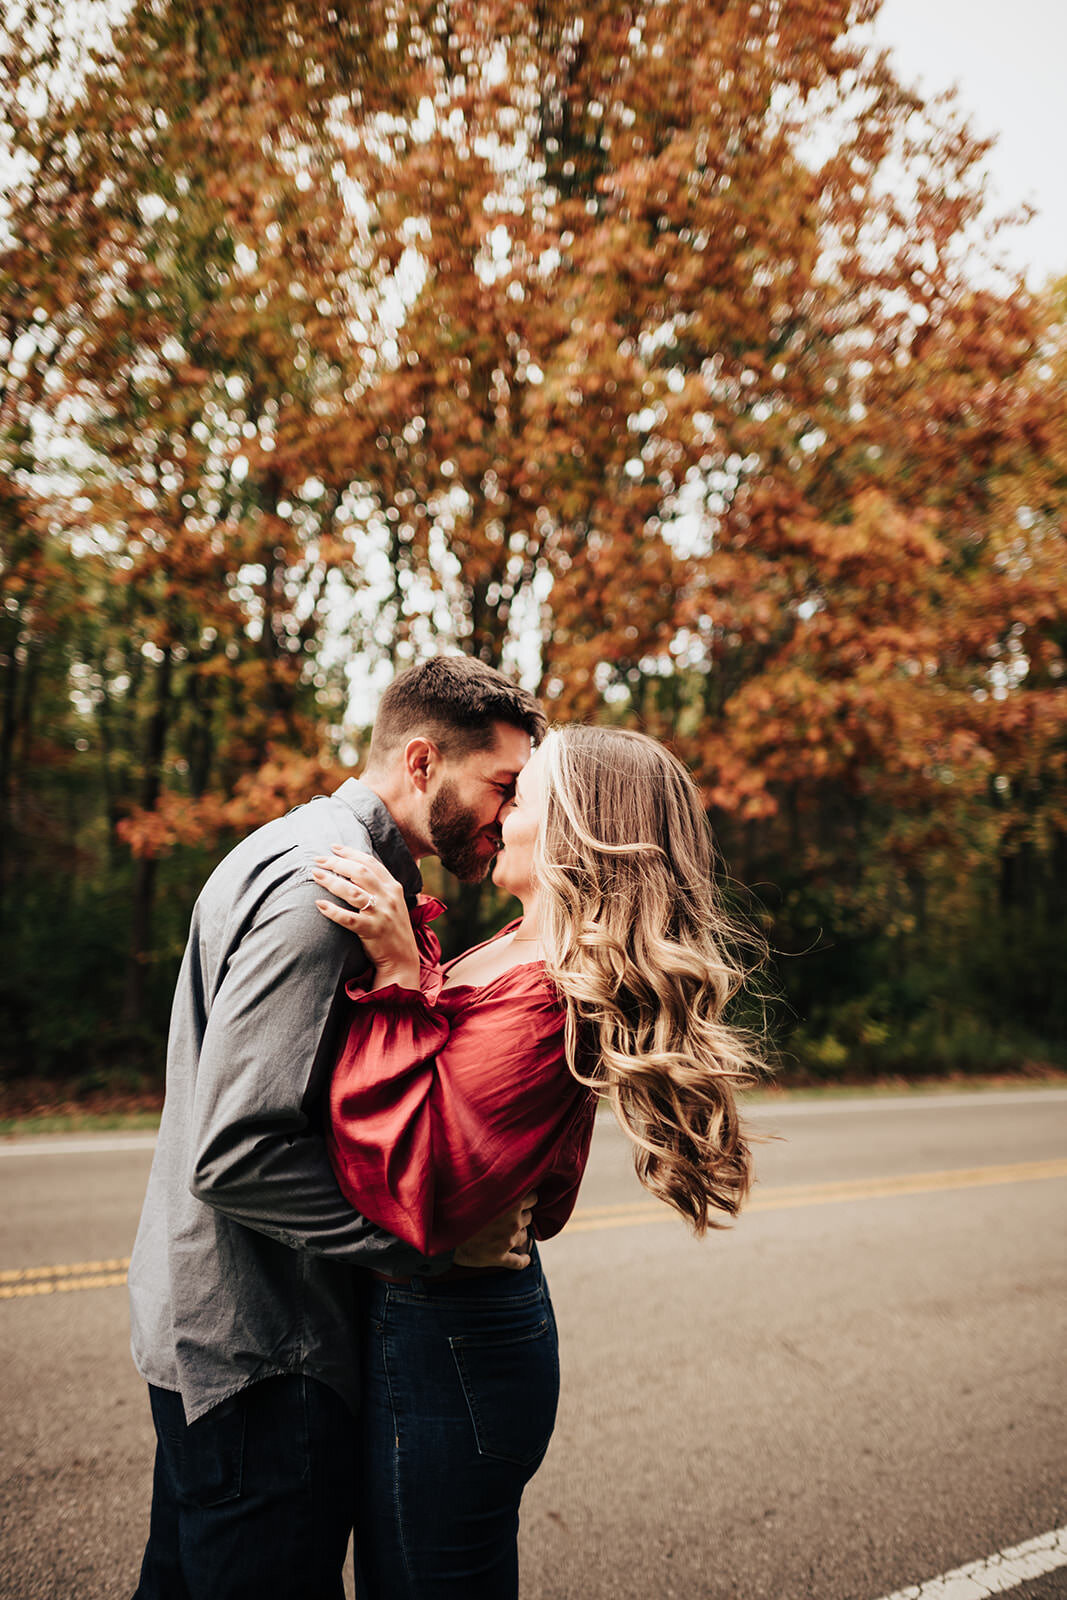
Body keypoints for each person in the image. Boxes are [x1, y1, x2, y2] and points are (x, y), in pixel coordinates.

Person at [312, 723, 765, 1600]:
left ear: (573, 828)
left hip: (452, 1349)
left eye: (522, 795)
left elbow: (407, 1181)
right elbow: (531, 1178)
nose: (500, 810)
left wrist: (404, 970)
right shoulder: (526, 946)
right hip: (441, 1323)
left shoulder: (547, 992)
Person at [128, 654, 545, 1600]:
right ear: (425, 761)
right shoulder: (327, 895)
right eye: (503, 786)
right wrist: (419, 1248)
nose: (508, 815)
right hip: (264, 1350)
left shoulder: (307, 851)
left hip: (216, 1329)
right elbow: (235, 1154)